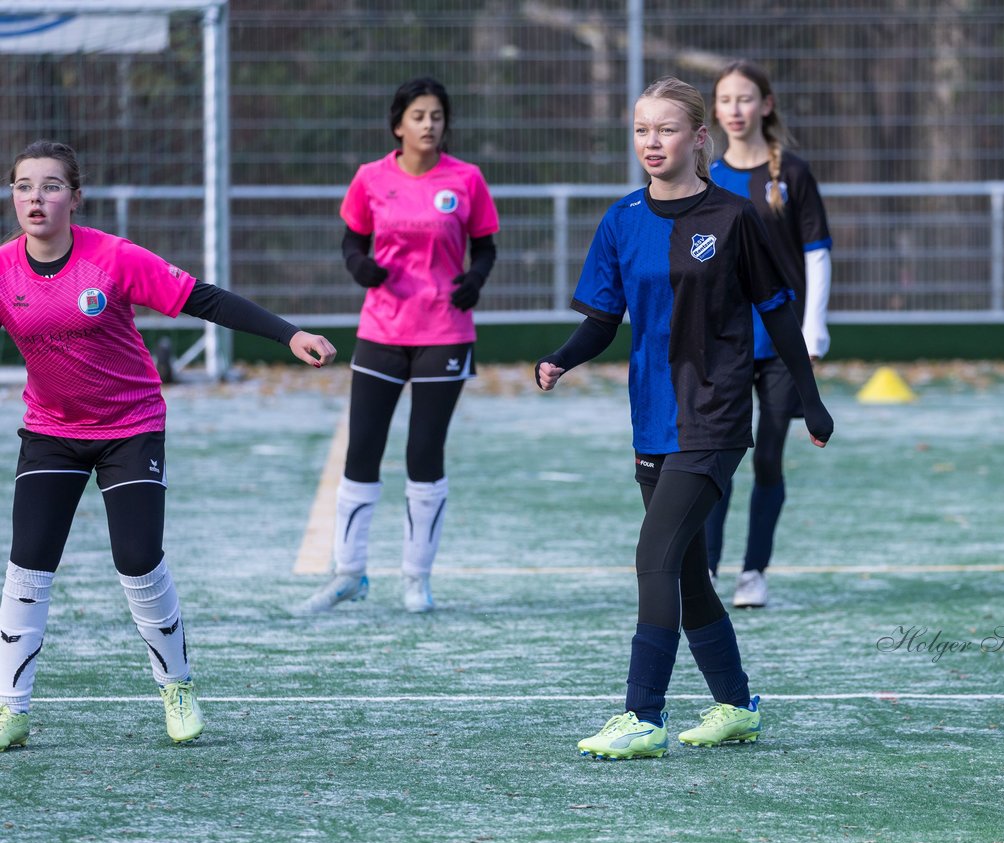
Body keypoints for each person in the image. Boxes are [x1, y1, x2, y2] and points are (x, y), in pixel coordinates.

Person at [0, 140, 337, 751]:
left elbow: (203, 297)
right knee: (28, 564)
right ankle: (11, 708)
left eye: (51, 186)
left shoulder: (112, 258)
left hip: (130, 426)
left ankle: (176, 686)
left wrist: (288, 335)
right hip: (51, 429)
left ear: (75, 197)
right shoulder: (4, 269)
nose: (36, 198)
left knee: (137, 559)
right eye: (24, 187)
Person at [536, 77, 833, 760]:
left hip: (715, 414)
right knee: (690, 572)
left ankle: (642, 715)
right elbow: (602, 321)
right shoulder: (621, 220)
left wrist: (810, 399)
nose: (651, 142)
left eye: (666, 130)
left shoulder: (735, 217)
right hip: (652, 418)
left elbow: (777, 313)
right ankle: (737, 706)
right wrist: (561, 359)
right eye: (642, 130)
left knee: (655, 556)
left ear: (699, 138)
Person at [300, 76, 499, 615]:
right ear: (398, 125)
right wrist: (358, 266)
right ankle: (348, 574)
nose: (429, 124)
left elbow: (485, 247)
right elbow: (352, 239)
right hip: (382, 330)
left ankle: (416, 579)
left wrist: (475, 279)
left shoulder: (466, 178)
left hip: (445, 331)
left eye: (436, 116)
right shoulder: (371, 178)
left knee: (423, 452)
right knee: (362, 448)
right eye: (418, 116)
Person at [704, 60, 834, 609]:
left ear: (766, 105)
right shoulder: (707, 177)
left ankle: (753, 571)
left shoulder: (793, 174)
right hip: (724, 343)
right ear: (715, 110)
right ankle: (706, 569)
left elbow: (817, 253)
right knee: (718, 459)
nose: (735, 109)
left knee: (768, 458)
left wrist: (813, 330)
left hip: (783, 342)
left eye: (745, 98)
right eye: (725, 99)